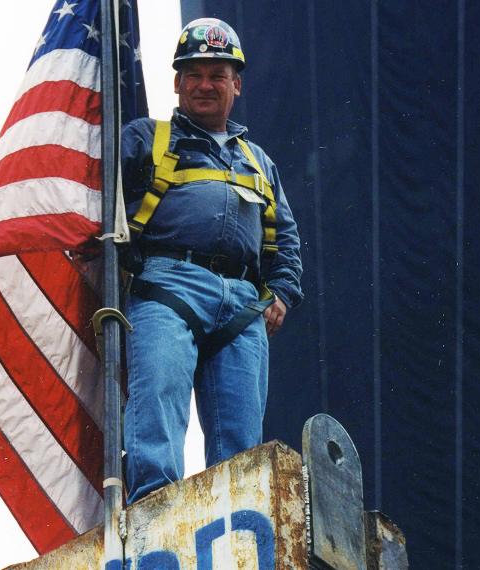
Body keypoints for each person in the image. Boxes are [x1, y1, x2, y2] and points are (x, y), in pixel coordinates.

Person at [120, 17, 303, 504]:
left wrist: (281, 292)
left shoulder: (260, 162)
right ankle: (154, 524)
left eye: (217, 74)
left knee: (242, 451)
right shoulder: (144, 139)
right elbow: (95, 197)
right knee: (156, 411)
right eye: (194, 73)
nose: (205, 84)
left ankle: (241, 533)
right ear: (177, 82)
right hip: (166, 288)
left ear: (235, 85)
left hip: (244, 307)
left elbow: (286, 235)